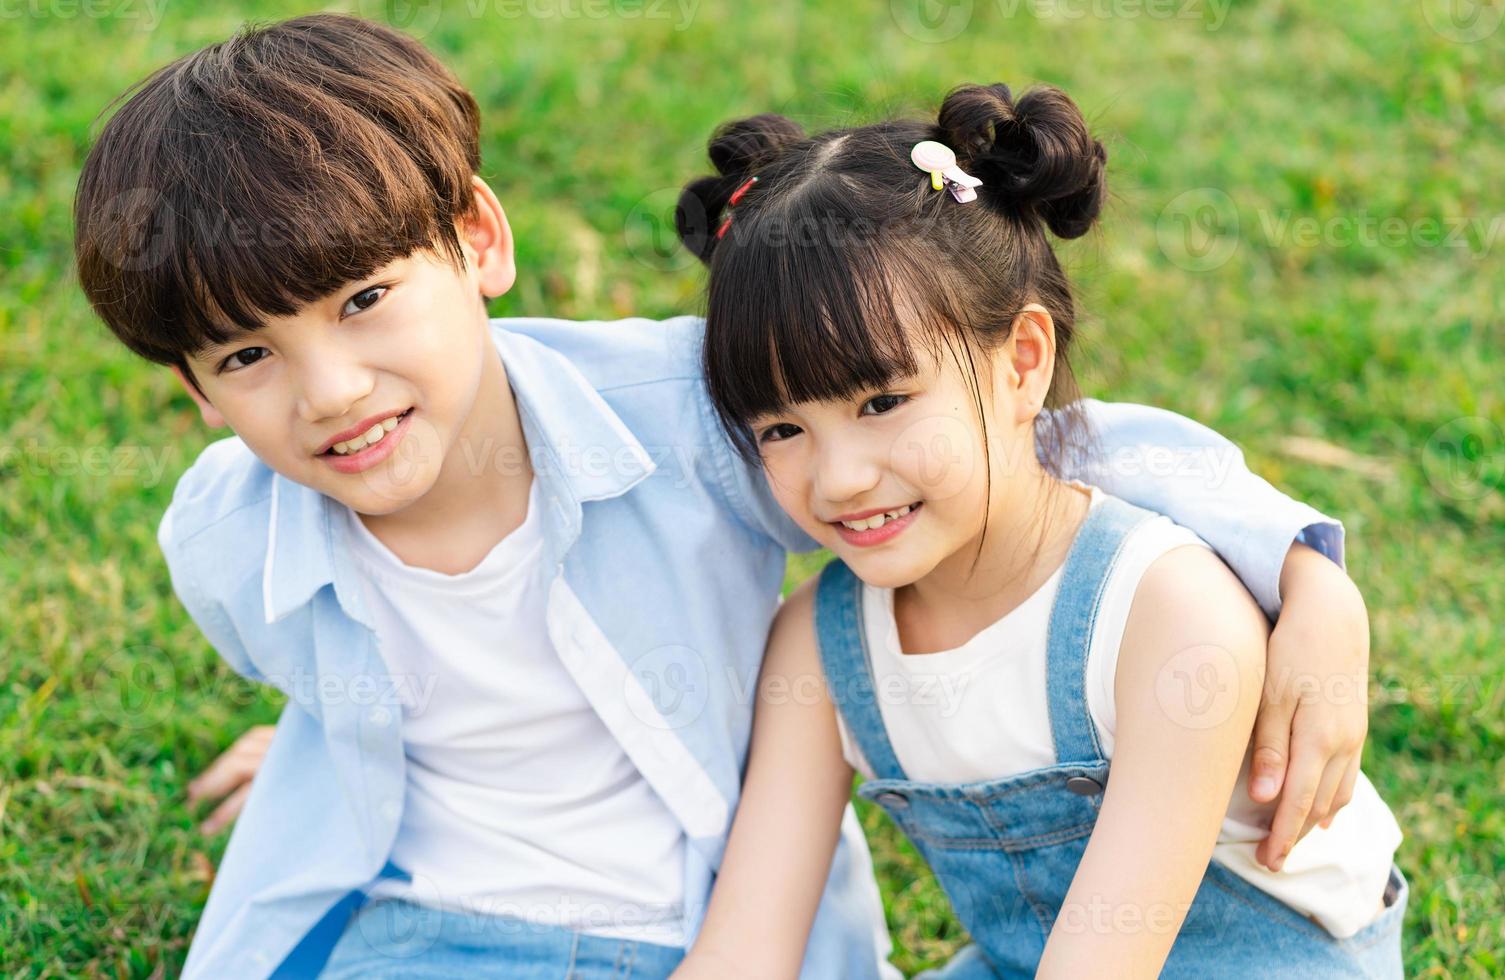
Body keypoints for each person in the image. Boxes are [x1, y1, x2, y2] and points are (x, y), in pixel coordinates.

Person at [73, 14, 1378, 978]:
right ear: (196, 389)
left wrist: (1302, 565)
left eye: (364, 301)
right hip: (414, 918)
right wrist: (334, 736)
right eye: (247, 355)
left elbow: (1029, 446)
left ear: (477, 240)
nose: (331, 391)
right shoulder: (228, 539)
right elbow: (367, 673)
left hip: (686, 919)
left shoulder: (703, 420)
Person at [669, 84, 1404, 978]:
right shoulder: (819, 648)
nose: (839, 477)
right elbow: (745, 947)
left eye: (884, 401)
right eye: (781, 428)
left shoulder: (1166, 614)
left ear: (1022, 361)